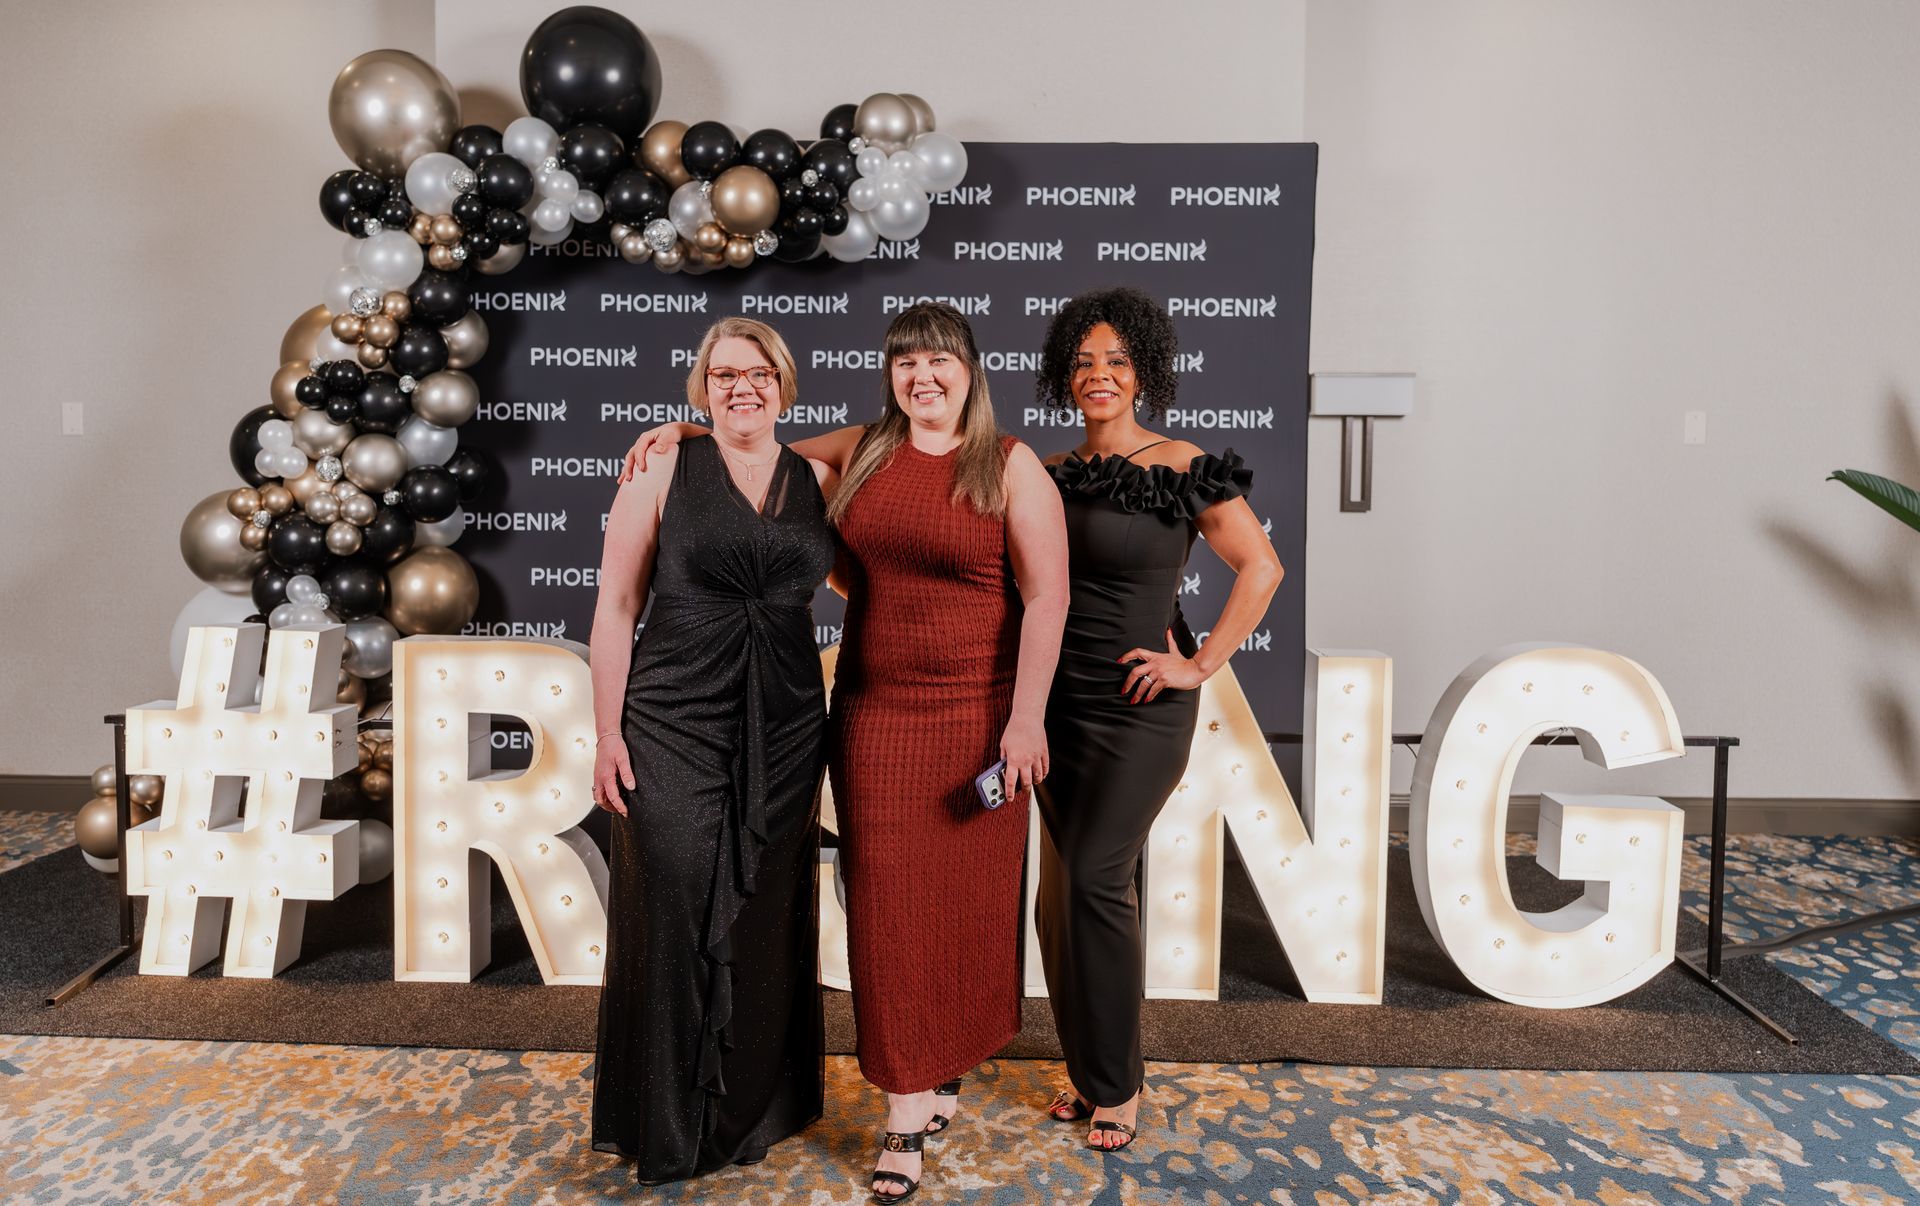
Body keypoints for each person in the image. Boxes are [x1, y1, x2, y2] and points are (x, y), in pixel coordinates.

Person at [619, 302, 1069, 1203]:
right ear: (890, 375)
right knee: (886, 912)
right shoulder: (865, 447)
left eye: (939, 362)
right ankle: (904, 1112)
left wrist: (1027, 719)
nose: (922, 377)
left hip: (980, 719)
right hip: (873, 714)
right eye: (906, 363)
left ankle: (941, 1062)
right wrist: (686, 432)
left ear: (971, 371)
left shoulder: (1011, 464)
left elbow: (1048, 596)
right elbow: (761, 447)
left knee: (964, 910)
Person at [587, 317, 838, 1187]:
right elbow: (616, 605)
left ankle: (749, 1110)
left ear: (785, 385)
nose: (743, 387)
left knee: (765, 906)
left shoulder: (820, 479)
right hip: (673, 716)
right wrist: (608, 731)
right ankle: (667, 1121)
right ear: (702, 388)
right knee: (676, 898)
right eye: (724, 375)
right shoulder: (661, 466)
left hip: (787, 720)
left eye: (759, 373)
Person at [1033, 287, 1284, 1152]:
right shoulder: (1047, 471)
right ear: (1064, 376)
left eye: (1116, 360)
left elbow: (1261, 567)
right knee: (1058, 896)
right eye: (1082, 362)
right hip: (1054, 704)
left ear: (1143, 373)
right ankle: (1090, 1066)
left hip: (1138, 708)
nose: (1098, 375)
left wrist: (1198, 663)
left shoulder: (1182, 465)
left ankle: (1119, 1085)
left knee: (1096, 880)